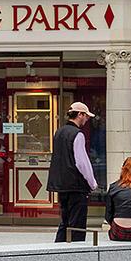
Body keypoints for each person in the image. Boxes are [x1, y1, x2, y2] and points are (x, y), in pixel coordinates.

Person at [48, 101, 99, 242]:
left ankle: (58, 250)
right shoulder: (77, 134)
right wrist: (92, 183)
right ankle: (76, 252)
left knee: (64, 222)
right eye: (86, 116)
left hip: (61, 185)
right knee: (77, 224)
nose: (87, 119)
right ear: (80, 114)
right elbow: (82, 162)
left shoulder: (58, 132)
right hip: (76, 186)